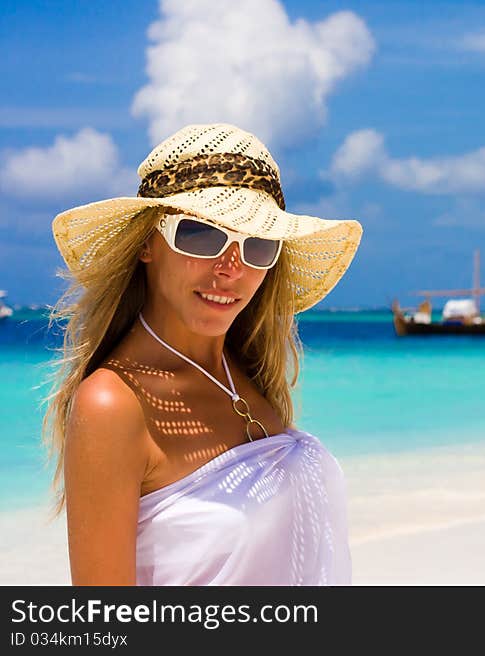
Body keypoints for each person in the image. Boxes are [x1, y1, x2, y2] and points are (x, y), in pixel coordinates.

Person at [42, 123, 363, 585]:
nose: (231, 269)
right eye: (201, 235)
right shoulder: (113, 405)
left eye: (257, 244)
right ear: (148, 243)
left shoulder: (247, 373)